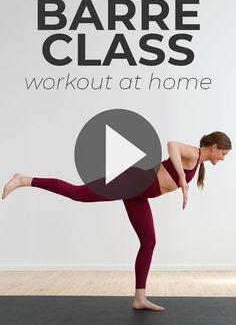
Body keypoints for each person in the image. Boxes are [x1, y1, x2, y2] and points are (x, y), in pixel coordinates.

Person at [1, 131, 232, 311]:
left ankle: (140, 298)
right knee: (78, 193)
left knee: (149, 242)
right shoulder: (193, 153)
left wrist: (182, 179)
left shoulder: (198, 162)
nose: (222, 159)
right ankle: (24, 179)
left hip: (138, 193)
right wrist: (182, 178)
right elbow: (171, 144)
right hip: (132, 182)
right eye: (223, 154)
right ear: (214, 147)